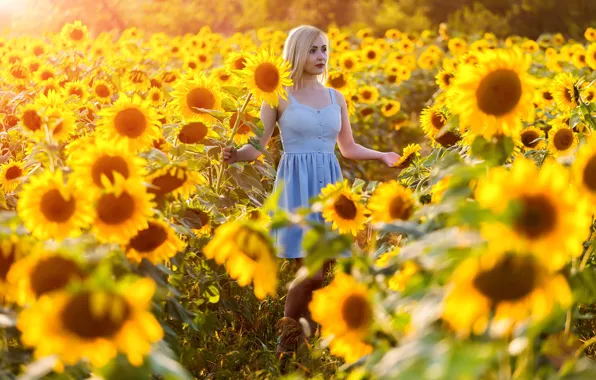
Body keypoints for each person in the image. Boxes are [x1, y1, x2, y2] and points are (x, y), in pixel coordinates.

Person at [222, 25, 400, 359]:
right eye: (313, 50)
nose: (321, 57)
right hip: (296, 187)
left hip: (330, 185)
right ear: (297, 53)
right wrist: (234, 156)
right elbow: (258, 145)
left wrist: (381, 155)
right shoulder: (278, 96)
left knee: (327, 268)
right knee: (312, 271)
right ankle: (286, 344)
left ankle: (309, 341)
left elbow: (346, 148)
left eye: (324, 50)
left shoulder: (336, 97)